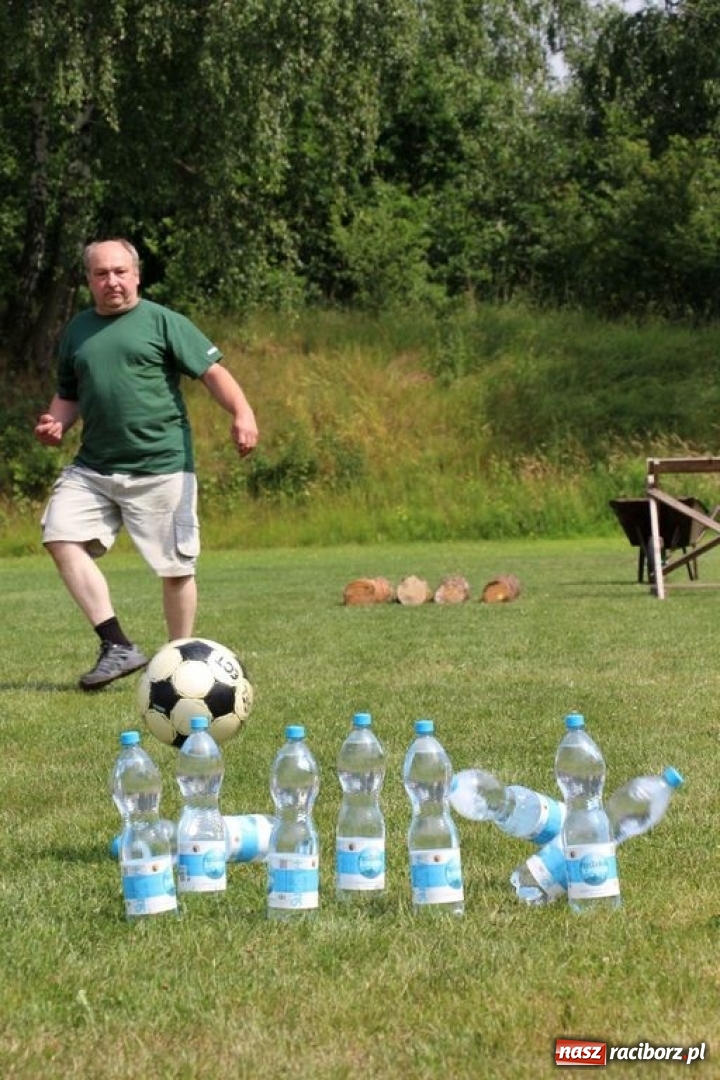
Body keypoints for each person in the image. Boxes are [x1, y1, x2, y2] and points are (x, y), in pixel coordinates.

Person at [34, 238, 259, 691]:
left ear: (136, 275)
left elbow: (213, 373)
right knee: (59, 534)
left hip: (161, 465)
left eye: (120, 271)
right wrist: (56, 422)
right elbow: (69, 394)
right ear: (89, 280)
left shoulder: (163, 321)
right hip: (95, 467)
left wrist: (242, 413)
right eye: (102, 274)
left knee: (175, 569)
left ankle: (181, 664)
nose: (112, 281)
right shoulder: (78, 330)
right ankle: (116, 645)